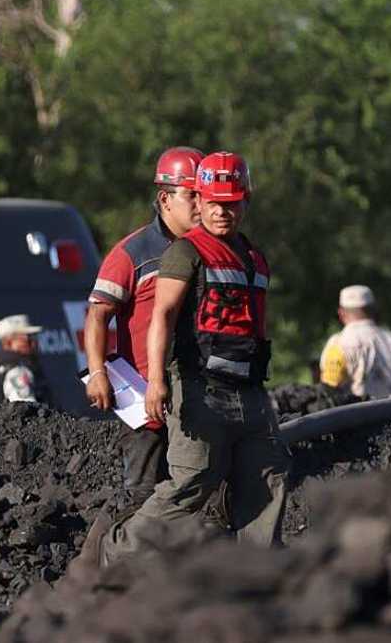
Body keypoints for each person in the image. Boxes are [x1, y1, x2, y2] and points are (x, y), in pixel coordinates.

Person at [100, 151, 290, 566]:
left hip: (249, 389)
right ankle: (120, 554)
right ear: (200, 202)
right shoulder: (185, 252)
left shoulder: (254, 257)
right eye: (215, 202)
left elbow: (258, 321)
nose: (224, 211)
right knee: (193, 480)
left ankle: (256, 578)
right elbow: (162, 317)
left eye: (233, 202)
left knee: (268, 475)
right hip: (200, 386)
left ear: (246, 202)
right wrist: (156, 382)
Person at [84, 146, 203, 512]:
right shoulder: (132, 253)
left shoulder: (209, 250)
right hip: (145, 400)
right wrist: (97, 372)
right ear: (165, 199)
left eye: (204, 195)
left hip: (196, 396)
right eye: (191, 196)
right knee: (144, 495)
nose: (201, 205)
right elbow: (97, 315)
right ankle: (126, 564)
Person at [319, 285, 391, 399]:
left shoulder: (337, 344)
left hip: (355, 415)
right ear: (373, 310)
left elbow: (329, 389)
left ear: (341, 313)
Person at [0, 314, 51, 404]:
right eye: (27, 339)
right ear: (8, 343)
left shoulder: (0, 369)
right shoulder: (17, 372)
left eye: (34, 337)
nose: (34, 343)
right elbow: (27, 412)